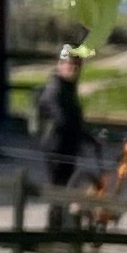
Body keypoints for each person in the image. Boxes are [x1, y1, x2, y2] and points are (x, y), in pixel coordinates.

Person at [30, 46, 90, 190]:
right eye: (70, 64)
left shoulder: (68, 87)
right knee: (58, 187)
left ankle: (60, 211)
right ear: (60, 65)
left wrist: (88, 137)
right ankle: (56, 212)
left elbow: (73, 118)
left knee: (65, 186)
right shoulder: (54, 89)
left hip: (67, 145)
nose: (73, 69)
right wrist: (82, 134)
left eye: (77, 66)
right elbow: (62, 119)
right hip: (56, 146)